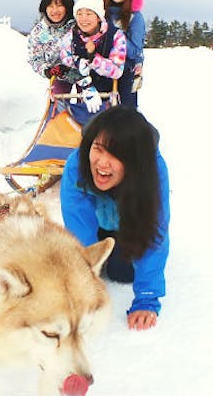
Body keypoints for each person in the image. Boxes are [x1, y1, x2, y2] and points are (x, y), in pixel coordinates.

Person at [60, 105, 169, 331]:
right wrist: (81, 292)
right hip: (97, 224)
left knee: (122, 273)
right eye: (98, 149)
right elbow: (78, 232)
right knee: (88, 265)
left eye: (116, 155)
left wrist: (147, 298)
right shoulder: (76, 166)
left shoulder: (152, 171)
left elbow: (154, 231)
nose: (102, 163)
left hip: (129, 224)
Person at [56, 0, 127, 126]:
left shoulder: (115, 36)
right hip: (84, 93)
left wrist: (93, 58)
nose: (83, 19)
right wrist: (82, 70)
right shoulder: (71, 36)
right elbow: (65, 58)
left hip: (109, 95)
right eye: (80, 14)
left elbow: (117, 70)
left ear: (98, 16)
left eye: (89, 14)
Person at [101, 0, 146, 108]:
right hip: (100, 67)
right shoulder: (99, 10)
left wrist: (114, 34)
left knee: (125, 114)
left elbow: (135, 51)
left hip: (125, 70)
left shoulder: (135, 17)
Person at [26, 0, 75, 103]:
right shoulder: (39, 31)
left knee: (87, 106)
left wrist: (70, 67)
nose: (55, 11)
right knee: (57, 105)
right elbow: (35, 59)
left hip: (82, 74)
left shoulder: (77, 26)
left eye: (59, 6)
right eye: (51, 6)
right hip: (59, 77)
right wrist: (47, 70)